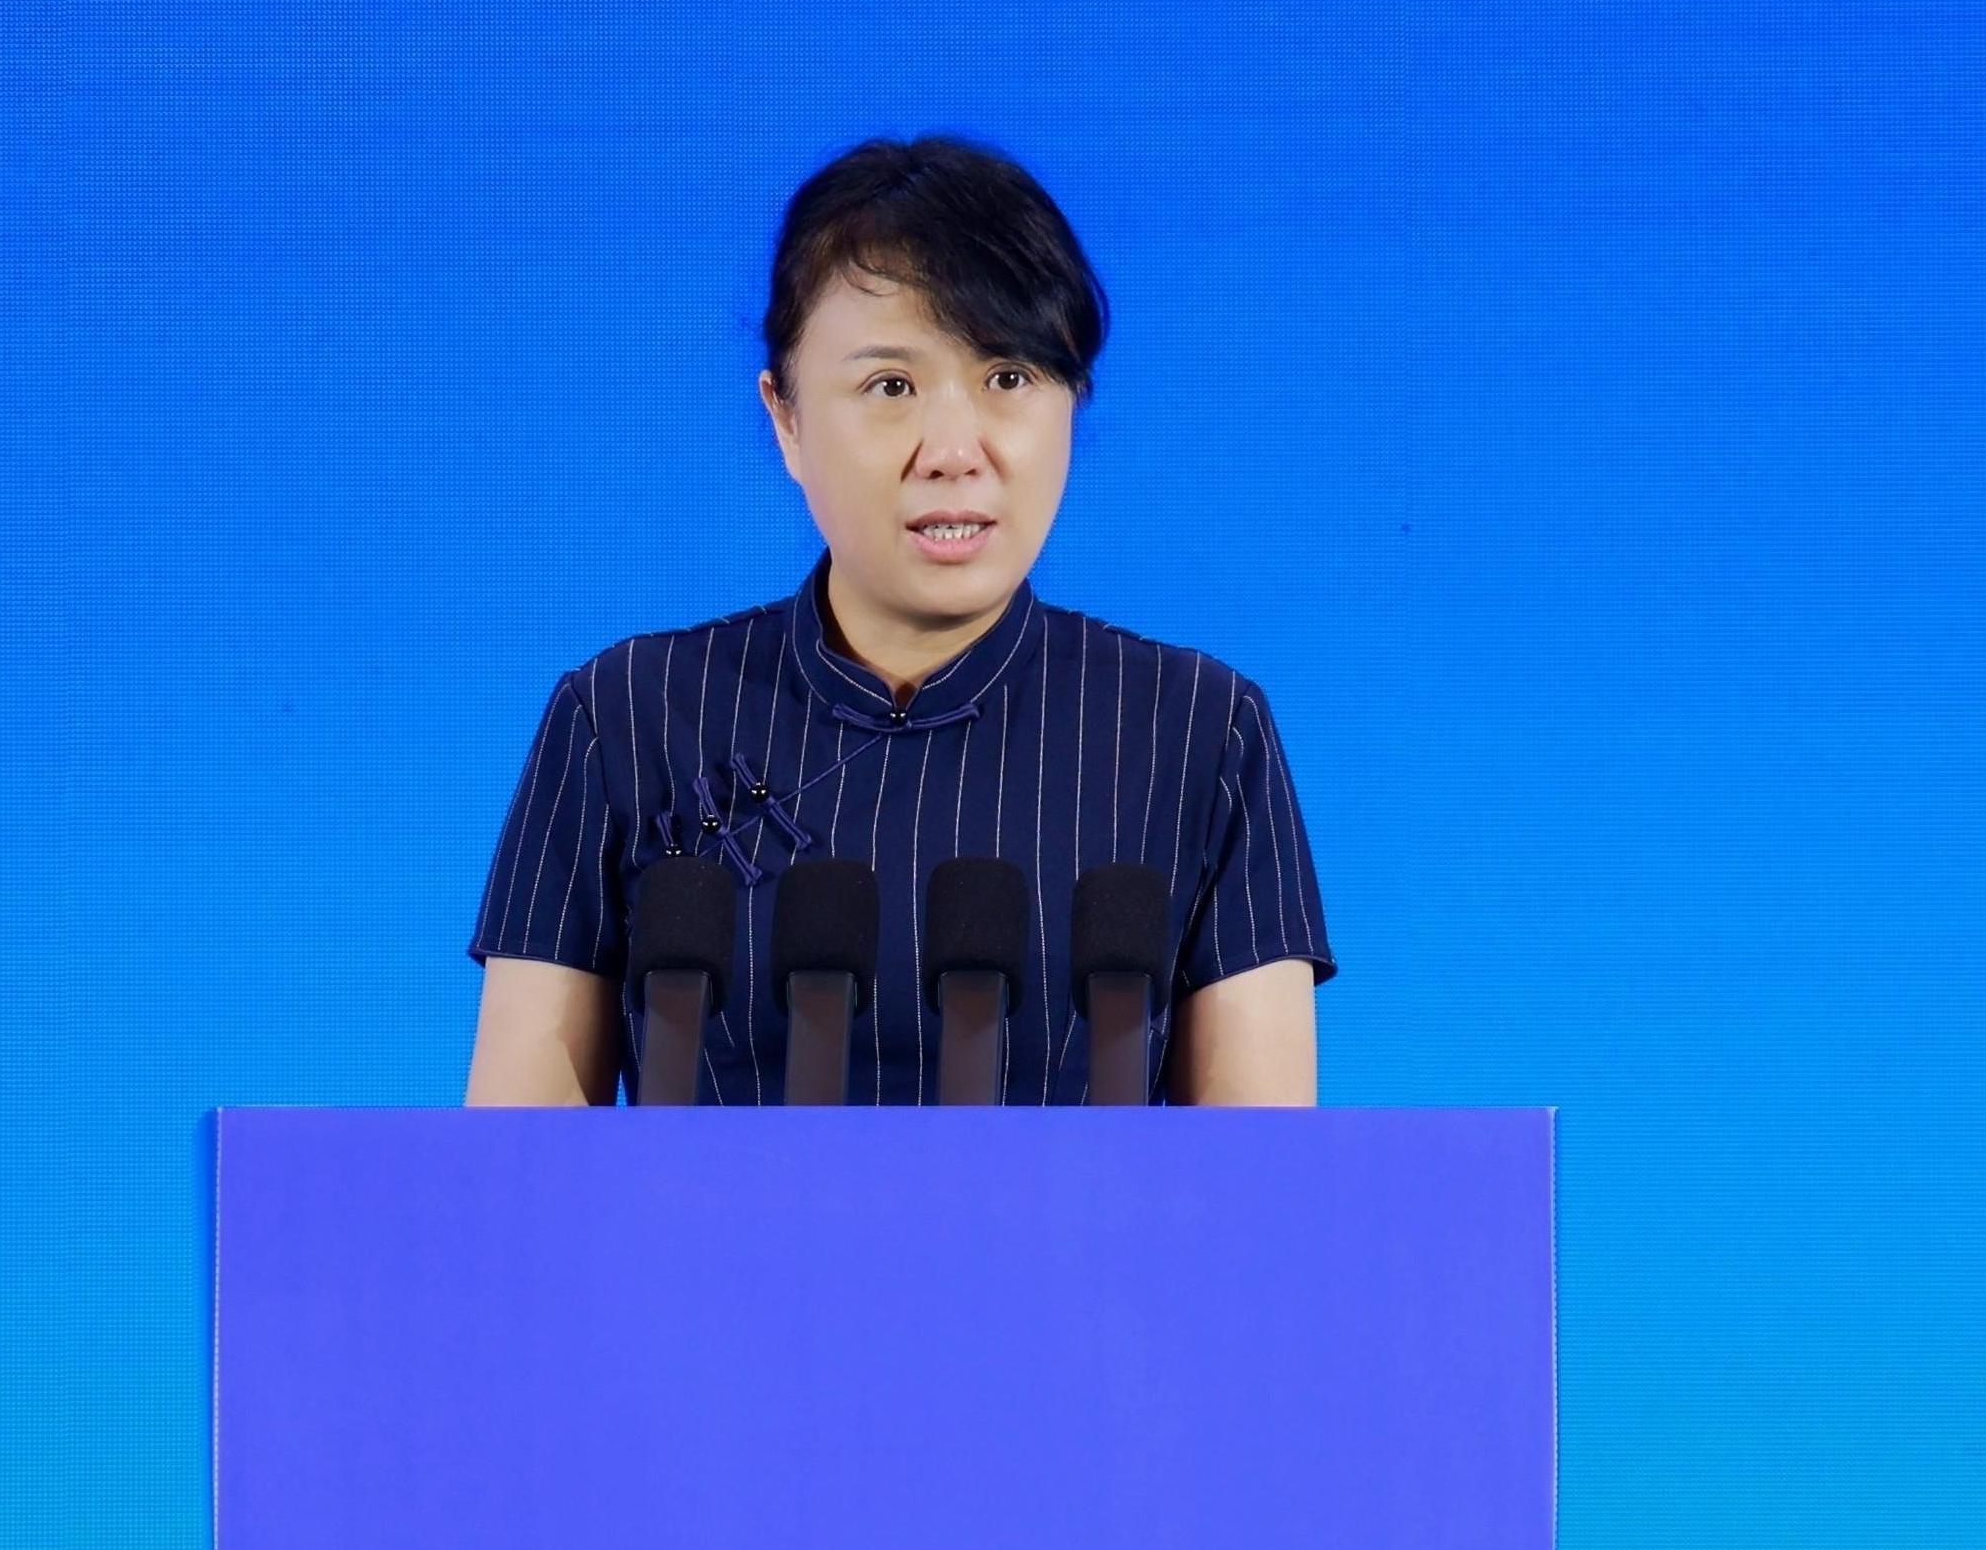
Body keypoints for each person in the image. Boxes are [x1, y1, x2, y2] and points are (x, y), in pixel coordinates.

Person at [464, 133, 1335, 1107]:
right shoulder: (627, 713)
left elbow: (1263, 1173)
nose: (953, 450)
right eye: (891, 386)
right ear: (786, 418)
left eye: (1008, 377)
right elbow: (513, 1160)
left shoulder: (1198, 730)